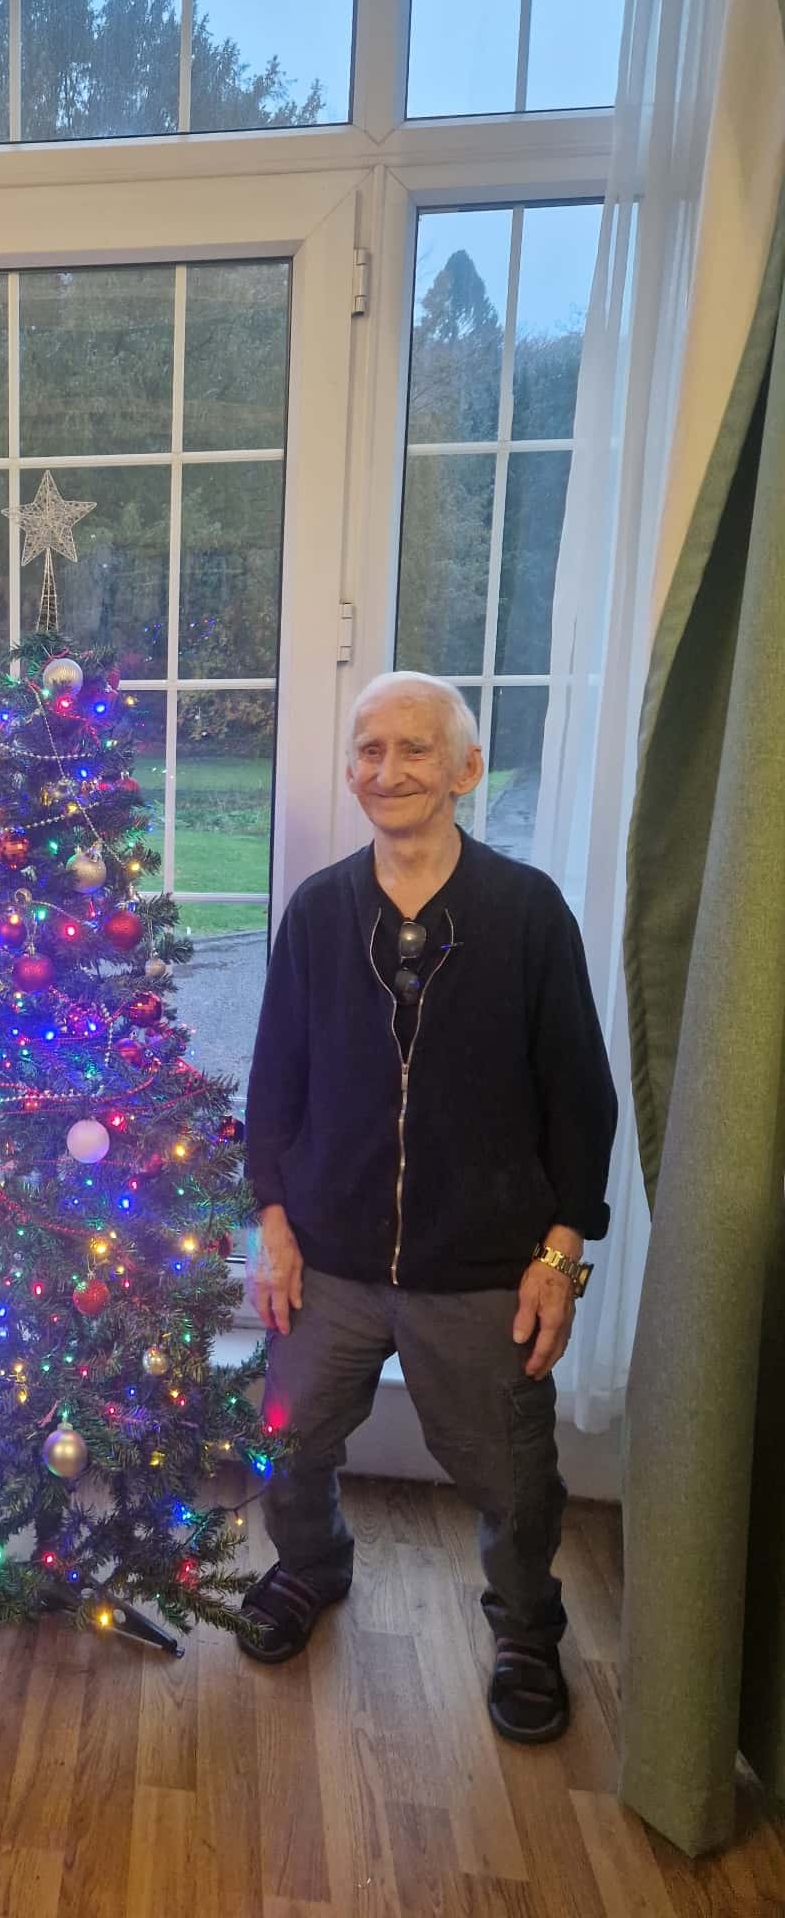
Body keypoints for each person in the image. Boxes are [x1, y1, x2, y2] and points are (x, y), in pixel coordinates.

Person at [241, 670, 616, 1744]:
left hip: (483, 1262)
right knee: (289, 1442)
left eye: (414, 748)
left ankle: (526, 1625)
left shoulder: (527, 912)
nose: (388, 769)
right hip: (330, 1253)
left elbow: (580, 1097)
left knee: (515, 1477)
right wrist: (273, 1223)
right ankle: (311, 1566)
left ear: (466, 769)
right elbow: (275, 1082)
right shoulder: (319, 912)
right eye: (370, 748)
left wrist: (560, 1255)